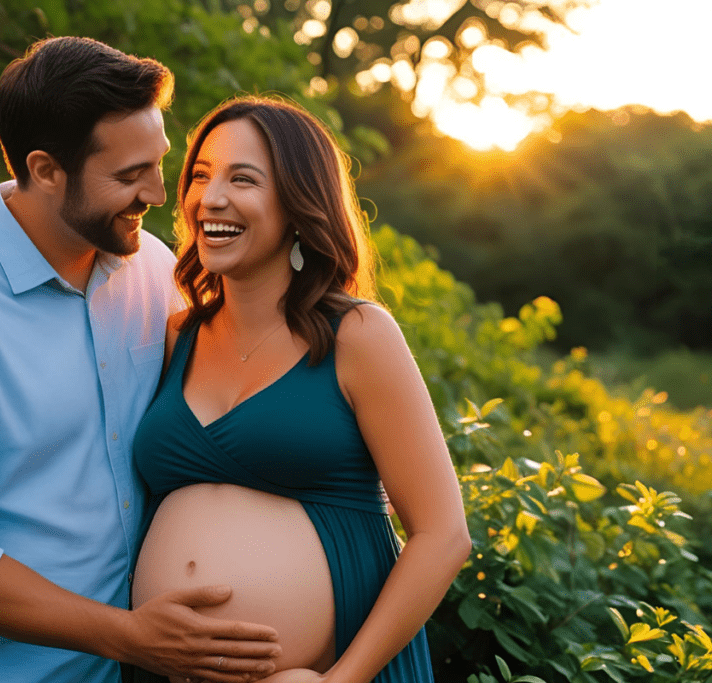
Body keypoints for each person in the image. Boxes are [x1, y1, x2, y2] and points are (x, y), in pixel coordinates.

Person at [0, 38, 283, 683]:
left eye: (160, 164)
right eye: (130, 175)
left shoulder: (157, 272)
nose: (161, 195)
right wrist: (130, 637)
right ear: (47, 169)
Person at [129, 95, 473, 683]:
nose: (210, 198)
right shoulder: (176, 334)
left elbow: (443, 536)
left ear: (296, 203)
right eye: (202, 176)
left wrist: (344, 678)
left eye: (243, 179)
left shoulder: (359, 335)